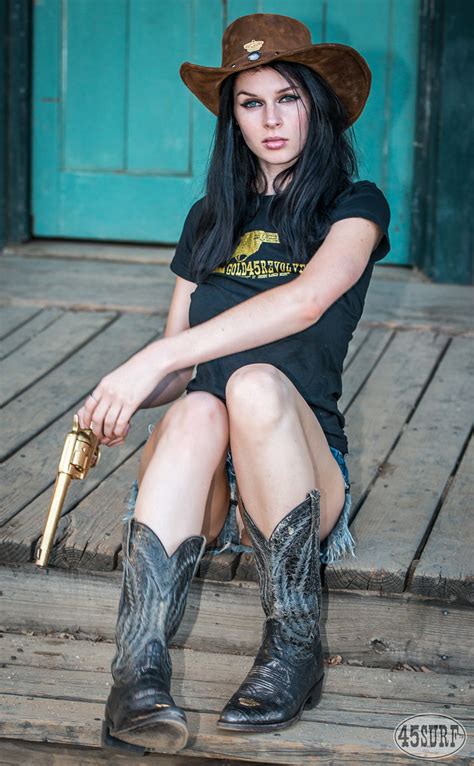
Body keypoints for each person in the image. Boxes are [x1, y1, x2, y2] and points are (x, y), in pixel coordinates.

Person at [77, 12, 391, 756]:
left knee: (252, 381)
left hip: (300, 465)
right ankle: (137, 670)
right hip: (205, 477)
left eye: (288, 98)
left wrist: (155, 357)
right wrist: (122, 390)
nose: (271, 119)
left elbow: (308, 300)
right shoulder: (210, 216)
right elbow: (179, 360)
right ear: (233, 116)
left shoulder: (355, 205)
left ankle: (293, 645)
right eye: (252, 103)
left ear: (318, 107)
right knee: (192, 408)